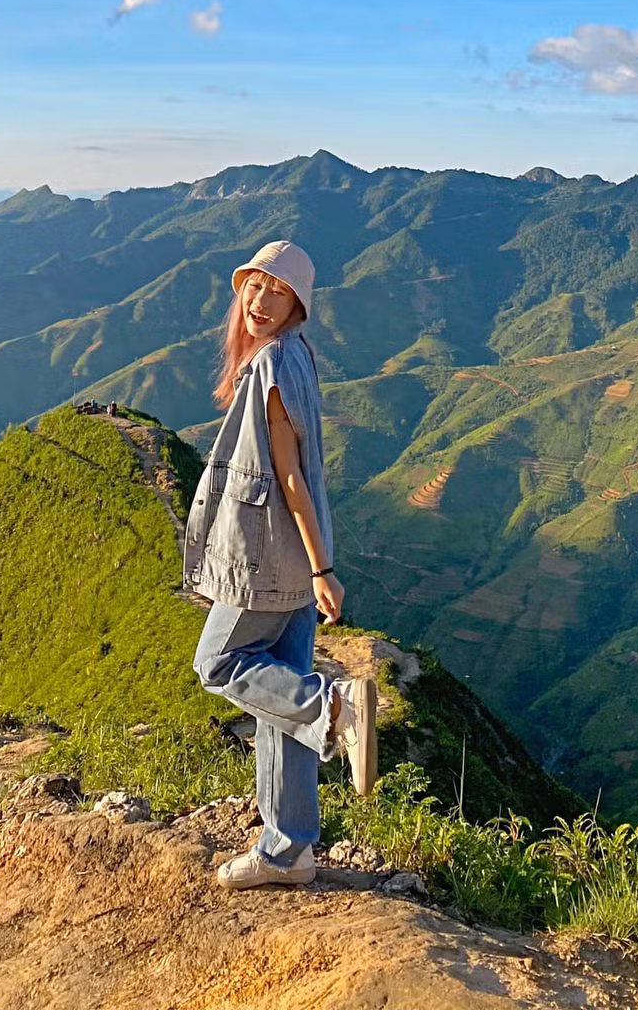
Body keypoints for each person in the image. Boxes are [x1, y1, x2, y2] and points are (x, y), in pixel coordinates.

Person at [184, 239, 377, 891]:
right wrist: (318, 563)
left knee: (219, 663)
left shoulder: (270, 364)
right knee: (277, 703)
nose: (261, 301)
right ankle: (288, 850)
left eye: (278, 291)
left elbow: (290, 475)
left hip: (265, 555)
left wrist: (323, 569)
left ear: (299, 304)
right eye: (255, 286)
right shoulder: (296, 357)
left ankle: (334, 708)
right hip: (291, 556)